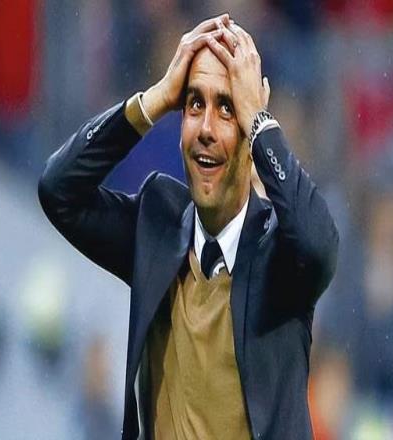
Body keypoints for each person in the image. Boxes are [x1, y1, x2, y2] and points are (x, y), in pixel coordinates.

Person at [39, 14, 339, 440]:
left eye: (228, 108)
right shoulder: (157, 228)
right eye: (195, 104)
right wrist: (155, 100)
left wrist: (261, 123)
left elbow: (319, 245)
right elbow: (59, 190)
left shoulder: (279, 256)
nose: (206, 129)